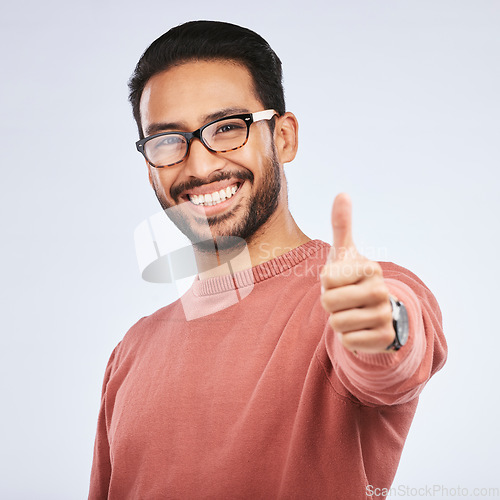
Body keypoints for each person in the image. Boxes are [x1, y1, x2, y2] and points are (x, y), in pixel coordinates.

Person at [89, 20, 447, 499]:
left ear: (283, 138)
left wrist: (382, 328)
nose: (199, 166)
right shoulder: (129, 354)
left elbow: (391, 357)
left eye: (228, 128)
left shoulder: (355, 297)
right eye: (168, 141)